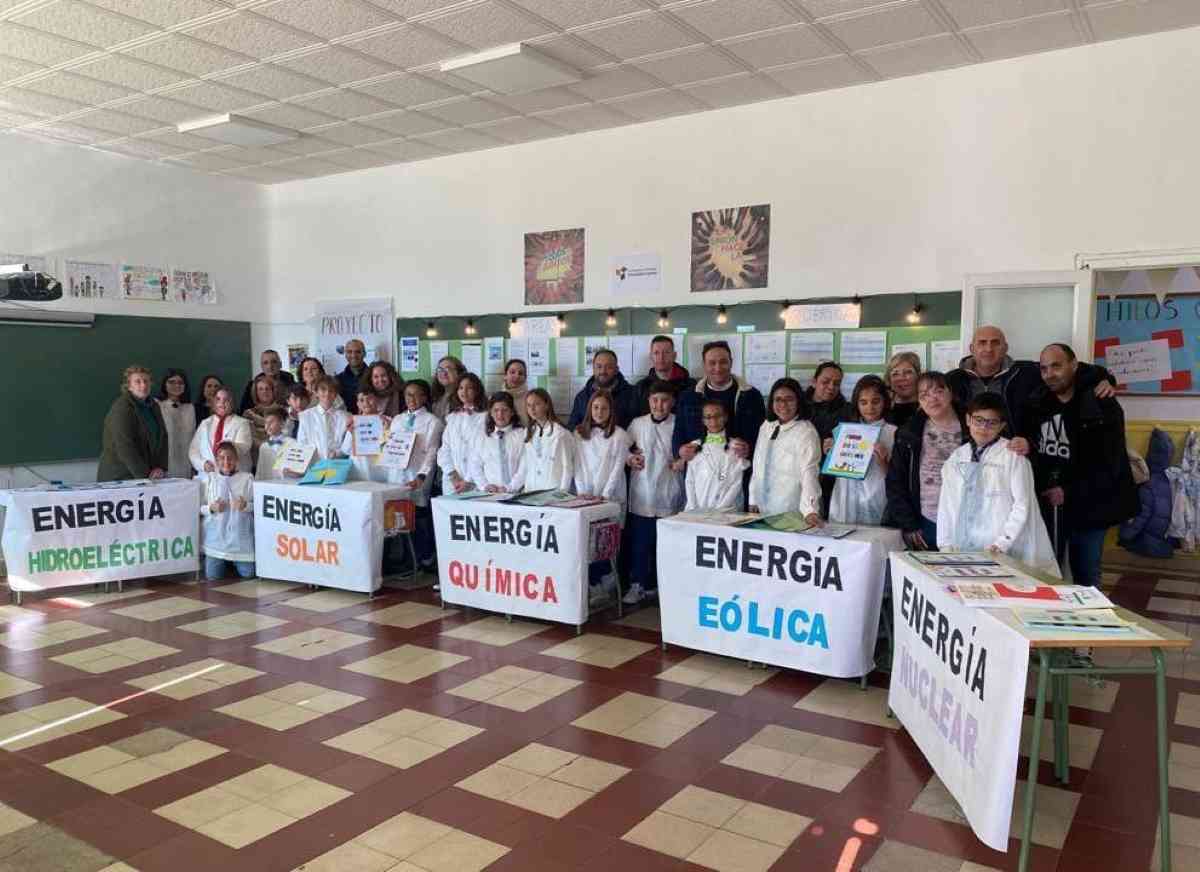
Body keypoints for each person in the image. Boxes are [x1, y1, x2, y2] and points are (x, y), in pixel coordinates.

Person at [1021, 343, 1138, 586]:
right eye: (1044, 368)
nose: (1050, 374)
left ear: (1074, 365)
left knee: (1086, 573)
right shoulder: (1038, 401)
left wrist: (1068, 492)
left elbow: (1110, 464)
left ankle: (1093, 621)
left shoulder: (1101, 403)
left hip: (1090, 505)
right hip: (1048, 502)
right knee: (1046, 570)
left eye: (1056, 365)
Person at [938, 394, 1059, 574]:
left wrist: (1002, 543)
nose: (983, 427)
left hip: (1004, 548)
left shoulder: (1012, 455)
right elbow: (947, 505)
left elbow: (1022, 504)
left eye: (992, 422)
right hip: (963, 544)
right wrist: (945, 544)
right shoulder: (956, 458)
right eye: (978, 420)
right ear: (968, 420)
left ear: (1002, 426)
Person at [946, 325, 1116, 441]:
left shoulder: (1026, 372)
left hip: (1016, 455)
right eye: (982, 343)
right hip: (970, 456)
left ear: (1005, 348)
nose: (989, 349)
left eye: (995, 343)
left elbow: (1071, 371)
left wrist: (1104, 379)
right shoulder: (953, 380)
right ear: (972, 348)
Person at [884, 371, 966, 550]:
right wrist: (909, 524)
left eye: (938, 391)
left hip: (967, 520)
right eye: (924, 395)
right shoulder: (908, 433)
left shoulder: (973, 426)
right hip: (927, 520)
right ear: (919, 401)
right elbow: (895, 481)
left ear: (950, 392)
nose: (932, 399)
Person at [624, 381, 684, 605]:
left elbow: (690, 452)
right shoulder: (636, 424)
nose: (659, 405)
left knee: (666, 545)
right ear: (648, 401)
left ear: (673, 402)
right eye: (655, 400)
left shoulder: (679, 423)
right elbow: (623, 448)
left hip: (670, 494)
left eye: (665, 400)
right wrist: (631, 458)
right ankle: (637, 584)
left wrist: (682, 461)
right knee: (640, 544)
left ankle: (661, 586)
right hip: (643, 494)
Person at [673, 340, 764, 466]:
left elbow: (762, 435)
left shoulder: (752, 396)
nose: (718, 368)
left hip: (739, 474)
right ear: (704, 365)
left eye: (723, 362)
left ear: (731, 363)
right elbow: (679, 431)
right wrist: (679, 450)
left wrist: (750, 448)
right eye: (712, 363)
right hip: (701, 474)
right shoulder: (688, 397)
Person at [748, 377, 822, 523]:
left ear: (798, 401)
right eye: (778, 399)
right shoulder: (767, 426)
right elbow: (757, 464)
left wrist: (810, 510)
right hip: (763, 506)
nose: (783, 404)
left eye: (789, 399)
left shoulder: (806, 431)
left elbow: (809, 472)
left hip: (790, 507)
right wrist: (753, 498)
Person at [829, 375, 896, 525]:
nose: (870, 407)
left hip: (876, 496)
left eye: (876, 401)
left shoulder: (893, 433)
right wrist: (831, 453)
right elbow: (834, 469)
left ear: (885, 402)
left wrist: (884, 462)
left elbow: (897, 478)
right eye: (863, 402)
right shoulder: (844, 431)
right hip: (845, 497)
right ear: (856, 404)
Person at [391, 379, 443, 571]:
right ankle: (408, 558)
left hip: (419, 474)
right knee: (400, 516)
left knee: (419, 514)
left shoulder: (433, 421)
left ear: (424, 397)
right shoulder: (397, 419)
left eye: (416, 394)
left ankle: (426, 556)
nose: (411, 398)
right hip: (397, 474)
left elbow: (431, 451)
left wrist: (422, 476)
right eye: (408, 394)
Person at [98, 365, 168, 481]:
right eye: (138, 382)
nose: (143, 385)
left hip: (149, 477)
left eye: (146, 381)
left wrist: (160, 467)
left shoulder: (154, 406)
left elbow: (163, 437)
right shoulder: (122, 407)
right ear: (129, 386)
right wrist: (146, 475)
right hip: (121, 477)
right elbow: (125, 446)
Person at [201, 441, 255, 581]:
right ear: (217, 460)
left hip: (240, 539)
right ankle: (222, 561)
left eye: (230, 457)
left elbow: (257, 506)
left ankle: (235, 562)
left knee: (248, 574)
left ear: (236, 460)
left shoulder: (247, 479)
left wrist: (245, 506)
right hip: (216, 539)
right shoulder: (210, 479)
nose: (226, 461)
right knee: (212, 576)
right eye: (222, 458)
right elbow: (199, 507)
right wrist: (211, 508)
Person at [685, 400, 749, 511]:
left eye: (718, 416)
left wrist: (721, 509)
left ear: (725, 417)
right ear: (703, 421)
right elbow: (690, 480)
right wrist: (692, 506)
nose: (713, 421)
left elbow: (737, 482)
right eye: (708, 417)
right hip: (698, 508)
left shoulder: (736, 446)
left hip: (727, 509)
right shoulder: (695, 446)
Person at [574, 390, 631, 508]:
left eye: (604, 408)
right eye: (596, 407)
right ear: (590, 408)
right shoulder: (579, 433)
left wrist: (606, 495)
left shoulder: (619, 435)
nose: (599, 412)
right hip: (585, 493)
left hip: (610, 494)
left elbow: (618, 468)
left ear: (611, 411)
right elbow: (577, 464)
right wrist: (581, 491)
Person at [512, 389, 575, 492]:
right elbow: (525, 465)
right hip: (531, 489)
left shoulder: (560, 433)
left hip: (553, 491)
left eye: (536, 404)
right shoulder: (528, 431)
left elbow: (567, 467)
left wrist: (562, 493)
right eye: (528, 405)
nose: (532, 409)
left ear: (547, 405)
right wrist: (510, 487)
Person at [567, 349, 640, 430]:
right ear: (593, 369)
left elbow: (638, 429)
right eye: (599, 366)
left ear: (616, 370)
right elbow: (572, 427)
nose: (603, 371)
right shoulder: (582, 397)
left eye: (609, 367)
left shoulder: (633, 394)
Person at [189, 386, 252, 481]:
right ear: (213, 403)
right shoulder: (205, 423)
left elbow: (244, 446)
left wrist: (226, 446)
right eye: (218, 399)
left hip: (234, 477)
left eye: (226, 399)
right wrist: (203, 464)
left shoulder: (241, 423)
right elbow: (193, 450)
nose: (222, 403)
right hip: (208, 477)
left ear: (232, 402)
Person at [438, 373, 487, 493]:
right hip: (452, 481)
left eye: (469, 388)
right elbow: (444, 449)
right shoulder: (452, 418)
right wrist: (452, 474)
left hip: (475, 480)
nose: (464, 391)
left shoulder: (485, 417)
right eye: (460, 388)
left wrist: (468, 480)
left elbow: (483, 451)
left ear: (477, 391)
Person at [470, 392, 525, 493]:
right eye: (496, 410)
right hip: (489, 493)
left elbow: (524, 466)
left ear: (512, 412)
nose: (500, 414)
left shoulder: (522, 435)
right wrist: (485, 486)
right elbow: (475, 464)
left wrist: (510, 487)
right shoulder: (483, 436)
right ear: (490, 412)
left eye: (504, 410)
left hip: (516, 493)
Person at [635, 335, 695, 413]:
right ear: (651, 356)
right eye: (656, 353)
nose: (661, 357)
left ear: (674, 356)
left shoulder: (691, 386)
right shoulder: (641, 387)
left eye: (666, 352)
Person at [297, 375, 352, 460]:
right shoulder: (305, 416)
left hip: (338, 464)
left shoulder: (346, 417)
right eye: (323, 389)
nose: (327, 393)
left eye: (331, 390)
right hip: (313, 465)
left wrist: (338, 453)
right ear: (316, 392)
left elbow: (347, 446)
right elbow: (302, 444)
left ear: (336, 394)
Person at [157, 368, 196, 479]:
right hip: (165, 464)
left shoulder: (190, 408)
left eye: (180, 382)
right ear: (165, 384)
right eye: (171, 382)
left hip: (186, 463)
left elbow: (193, 436)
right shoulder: (158, 406)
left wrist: (194, 466)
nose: (176, 385)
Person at [341, 391, 388, 481]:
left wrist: (386, 430)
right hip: (358, 469)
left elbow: (390, 449)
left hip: (379, 471)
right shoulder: (354, 422)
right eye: (361, 400)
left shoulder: (387, 420)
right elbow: (346, 450)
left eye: (369, 399)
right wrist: (351, 433)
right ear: (357, 404)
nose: (366, 403)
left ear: (376, 400)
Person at [238, 349, 295, 414]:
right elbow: (244, 411)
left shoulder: (290, 382)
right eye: (265, 363)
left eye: (274, 362)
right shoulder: (252, 385)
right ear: (261, 366)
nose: (270, 366)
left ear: (280, 364)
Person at [243, 374, 280, 470]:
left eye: (268, 388)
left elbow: (285, 435)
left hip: (280, 460)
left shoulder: (283, 411)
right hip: (258, 462)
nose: (265, 392)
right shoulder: (249, 414)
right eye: (261, 389)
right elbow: (251, 439)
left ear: (273, 391)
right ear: (256, 392)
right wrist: (269, 447)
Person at [255, 406, 293, 481]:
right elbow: (260, 470)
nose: (267, 425)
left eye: (271, 422)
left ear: (282, 423)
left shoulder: (291, 443)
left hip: (286, 484)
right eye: (266, 422)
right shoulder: (264, 446)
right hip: (267, 485)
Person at [884, 352, 921, 428]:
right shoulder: (882, 407)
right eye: (895, 374)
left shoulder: (930, 406)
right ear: (889, 380)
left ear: (918, 375)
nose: (902, 378)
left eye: (908, 372)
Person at [337, 339, 369, 413]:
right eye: (349, 352)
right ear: (345, 355)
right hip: (345, 421)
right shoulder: (338, 379)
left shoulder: (374, 377)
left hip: (369, 421)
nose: (353, 355)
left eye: (358, 352)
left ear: (364, 354)